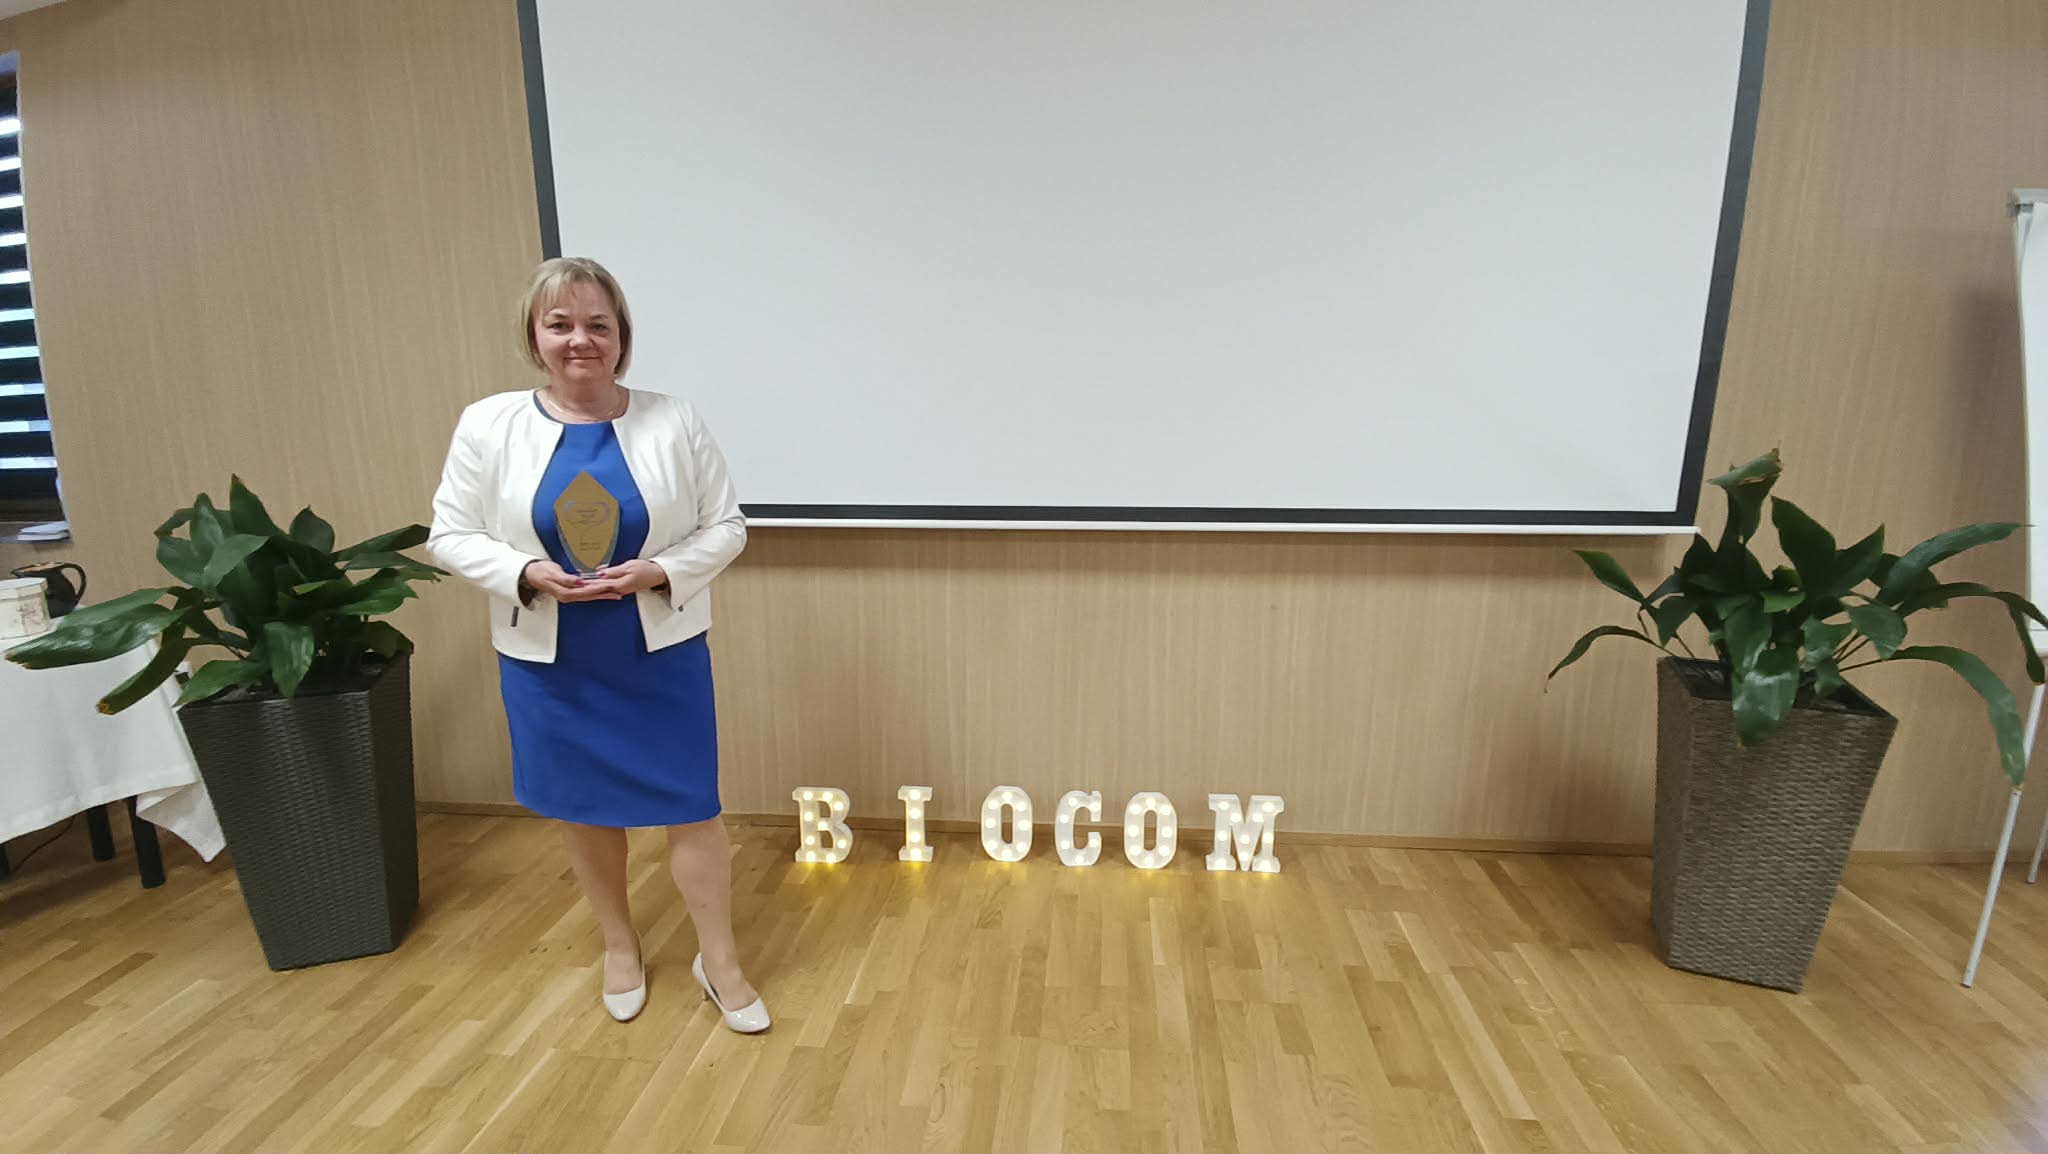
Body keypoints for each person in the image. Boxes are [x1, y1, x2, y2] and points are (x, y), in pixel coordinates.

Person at [427, 256, 766, 1031]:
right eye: (560, 324)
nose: (579, 339)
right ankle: (619, 945)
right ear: (534, 337)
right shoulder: (488, 424)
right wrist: (524, 571)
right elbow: (449, 533)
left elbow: (726, 526)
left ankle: (719, 961)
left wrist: (661, 570)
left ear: (621, 337)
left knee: (692, 805)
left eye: (597, 324)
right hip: (552, 663)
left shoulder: (674, 420)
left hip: (659, 651)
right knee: (585, 809)